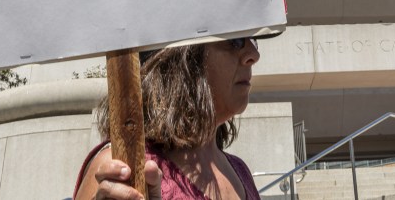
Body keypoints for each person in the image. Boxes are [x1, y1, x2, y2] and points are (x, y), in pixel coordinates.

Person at [74, 38, 262, 200]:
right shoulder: (122, 166)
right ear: (183, 57)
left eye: (253, 39)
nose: (253, 55)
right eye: (236, 40)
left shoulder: (240, 170)